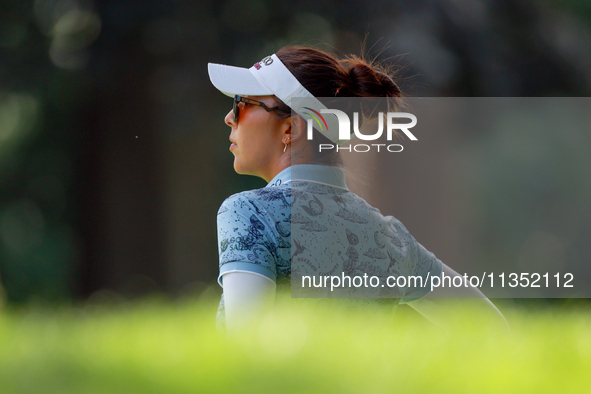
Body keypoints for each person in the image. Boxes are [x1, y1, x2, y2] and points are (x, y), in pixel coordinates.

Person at [208, 46, 507, 335]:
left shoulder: (248, 212)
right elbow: (493, 330)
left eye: (243, 103)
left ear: (291, 129)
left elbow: (245, 345)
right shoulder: (389, 236)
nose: (230, 117)